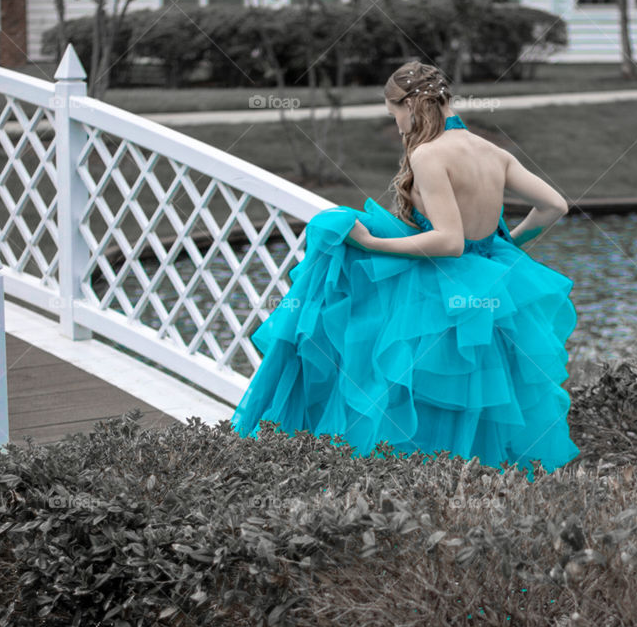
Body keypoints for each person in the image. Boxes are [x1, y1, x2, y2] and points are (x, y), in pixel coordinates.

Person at [230, 60, 580, 481]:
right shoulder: (493, 152)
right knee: (476, 403)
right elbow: (555, 206)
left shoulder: (430, 154)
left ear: (412, 104)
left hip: (439, 293)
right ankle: (473, 502)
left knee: (407, 394)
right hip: (487, 293)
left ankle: (392, 492)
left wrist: (374, 244)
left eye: (394, 111)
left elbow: (449, 242)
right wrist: (503, 248)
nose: (396, 124)